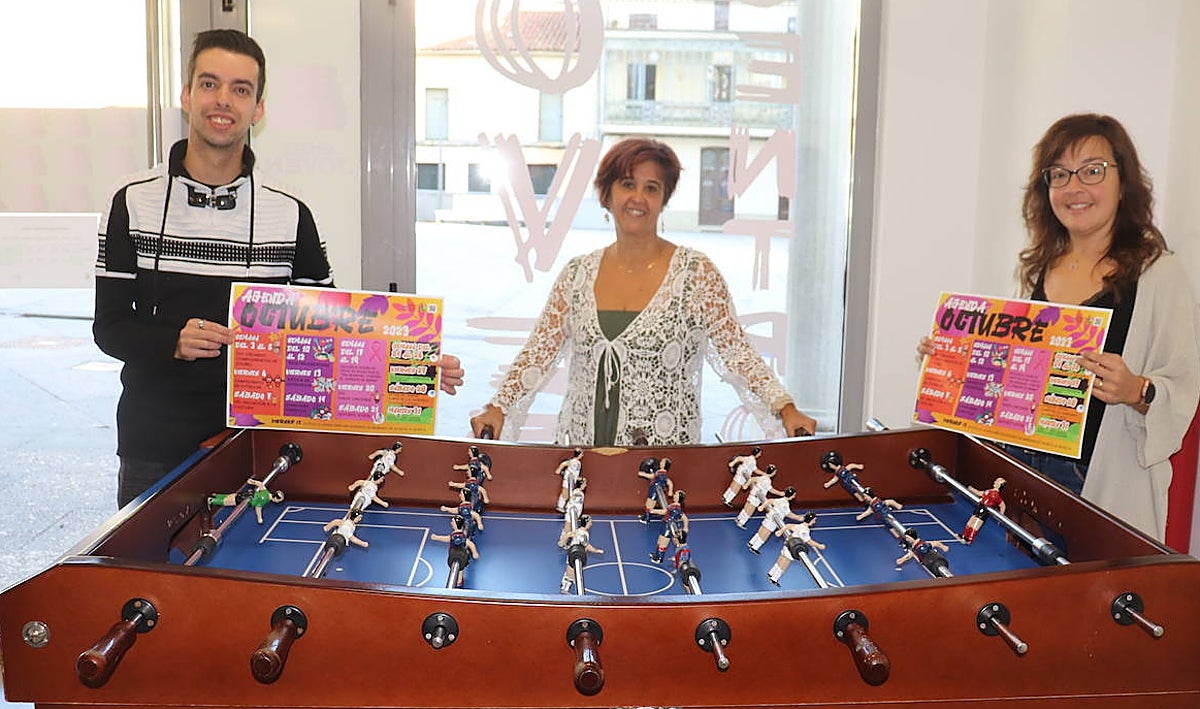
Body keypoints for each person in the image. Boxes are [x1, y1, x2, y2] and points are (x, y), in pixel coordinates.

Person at [94, 29, 464, 507]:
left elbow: (337, 339)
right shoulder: (131, 202)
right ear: (186, 96)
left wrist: (416, 368)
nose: (223, 100)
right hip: (154, 448)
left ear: (258, 108)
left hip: (263, 451)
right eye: (209, 84)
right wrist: (173, 342)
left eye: (240, 89)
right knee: (146, 580)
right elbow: (108, 328)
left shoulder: (291, 215)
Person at [917, 114, 1198, 544]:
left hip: (1104, 484)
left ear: (1124, 182)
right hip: (1026, 476)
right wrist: (954, 363)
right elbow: (1012, 377)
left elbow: (1182, 387)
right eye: (1060, 174)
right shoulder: (1037, 267)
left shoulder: (1159, 272)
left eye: (1093, 170)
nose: (1075, 187)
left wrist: (1136, 389)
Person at [470, 137, 816, 445]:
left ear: (663, 200)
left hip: (664, 464)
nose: (638, 198)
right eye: (627, 184)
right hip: (582, 455)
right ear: (606, 195)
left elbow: (738, 354)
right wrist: (497, 408)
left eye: (652, 188)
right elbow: (538, 353)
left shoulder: (696, 274)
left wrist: (785, 408)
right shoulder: (576, 275)